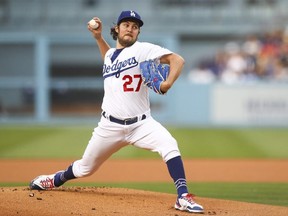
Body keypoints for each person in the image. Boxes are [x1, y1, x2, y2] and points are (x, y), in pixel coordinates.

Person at [29, 10, 204, 214]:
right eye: (127, 24)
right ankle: (54, 179)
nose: (131, 28)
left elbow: (178, 60)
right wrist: (98, 38)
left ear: (138, 33)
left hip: (141, 124)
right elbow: (109, 58)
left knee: (169, 144)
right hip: (109, 126)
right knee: (85, 168)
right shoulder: (111, 55)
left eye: (135, 26)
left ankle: (183, 196)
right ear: (117, 29)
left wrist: (167, 84)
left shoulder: (143, 49)